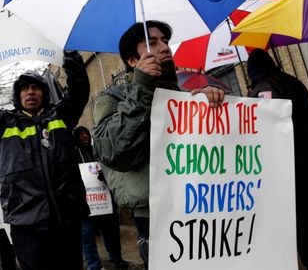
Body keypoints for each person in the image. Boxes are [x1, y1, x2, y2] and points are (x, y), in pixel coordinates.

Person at [92, 20, 225, 268]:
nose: (164, 47)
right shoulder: (112, 100)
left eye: (165, 41)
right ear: (132, 61)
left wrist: (211, 103)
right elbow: (113, 152)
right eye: (151, 43)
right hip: (154, 215)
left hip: (199, 203)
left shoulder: (185, 96)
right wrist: (142, 87)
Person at [0, 51, 90, 270]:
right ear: (17, 95)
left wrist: (70, 57)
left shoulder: (60, 116)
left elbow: (79, 91)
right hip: (26, 224)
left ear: (45, 93)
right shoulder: (5, 123)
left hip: (66, 219)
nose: (30, 92)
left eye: (36, 87)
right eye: (24, 88)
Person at [247, 48, 308, 270]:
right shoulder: (292, 80)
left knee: (305, 232)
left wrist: (252, 98)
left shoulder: (264, 88)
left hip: (290, 169)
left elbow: (265, 126)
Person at [73, 126, 128, 270]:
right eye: (81, 134)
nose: (85, 136)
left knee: (112, 233)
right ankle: (94, 266)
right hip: (85, 204)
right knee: (87, 237)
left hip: (105, 201)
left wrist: (106, 174)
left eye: (86, 133)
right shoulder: (72, 155)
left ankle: (116, 258)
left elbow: (113, 170)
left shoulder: (99, 151)